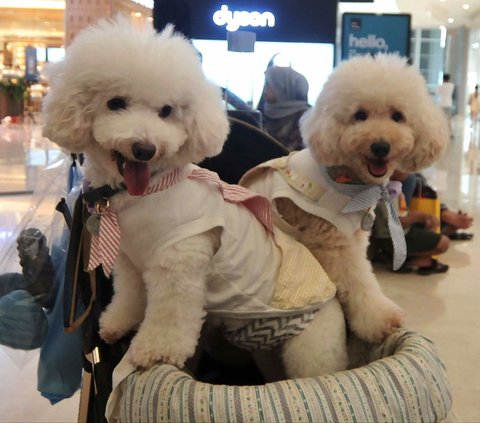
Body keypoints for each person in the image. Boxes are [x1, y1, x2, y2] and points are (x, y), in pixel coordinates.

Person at [261, 66, 310, 151]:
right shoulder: (267, 111)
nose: (264, 89)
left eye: (268, 85)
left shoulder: (306, 118)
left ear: (283, 87)